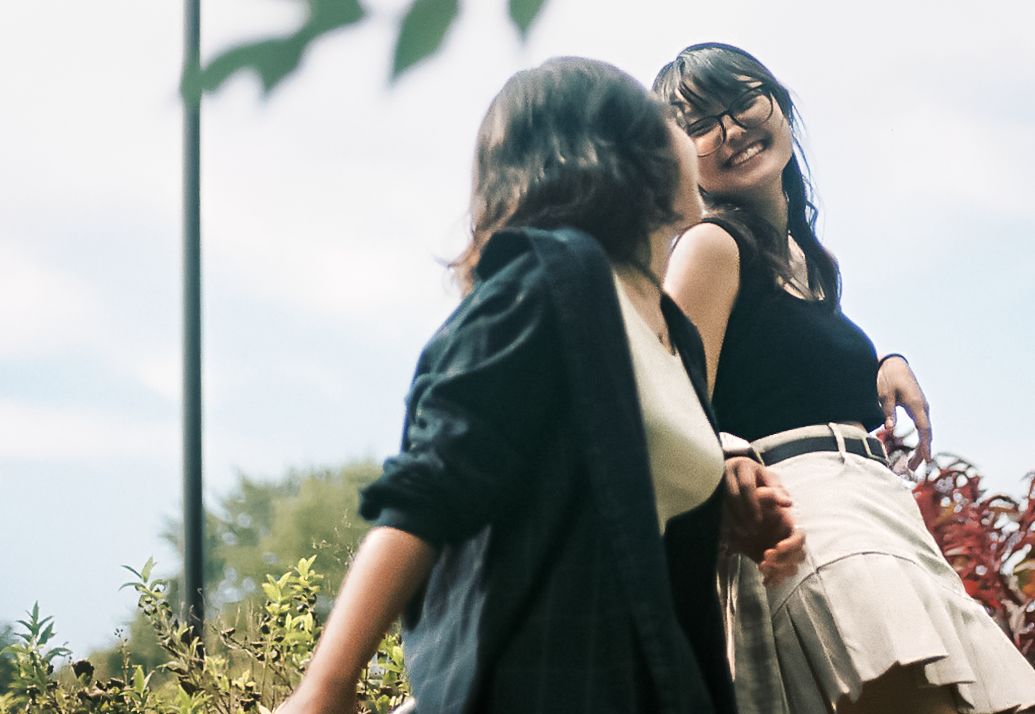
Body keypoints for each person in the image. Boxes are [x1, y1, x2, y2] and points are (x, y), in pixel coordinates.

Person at [277, 57, 804, 714]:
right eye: (668, 120)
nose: (687, 134)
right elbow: (433, 484)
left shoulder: (675, 332)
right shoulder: (550, 280)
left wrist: (726, 507)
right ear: (615, 149)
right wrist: (325, 690)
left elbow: (621, 512)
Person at [654, 44, 1035, 714]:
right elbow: (668, 400)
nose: (729, 129)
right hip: (810, 520)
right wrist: (724, 451)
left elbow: (788, 363)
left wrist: (879, 362)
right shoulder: (709, 244)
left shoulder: (811, 261)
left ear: (779, 103)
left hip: (881, 511)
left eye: (742, 101)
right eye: (699, 123)